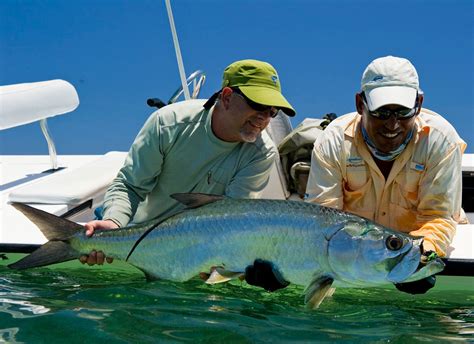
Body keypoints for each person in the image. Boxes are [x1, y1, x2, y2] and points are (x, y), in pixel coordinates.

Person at [79, 59, 296, 286]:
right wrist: (113, 224)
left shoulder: (261, 153)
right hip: (131, 239)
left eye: (273, 111)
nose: (264, 118)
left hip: (194, 256)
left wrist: (221, 261)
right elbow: (130, 186)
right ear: (227, 96)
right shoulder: (168, 123)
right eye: (258, 105)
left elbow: (234, 220)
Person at [305, 56, 466, 294]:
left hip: (399, 253)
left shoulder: (441, 141)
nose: (392, 124)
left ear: (418, 104)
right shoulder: (333, 140)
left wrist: (418, 259)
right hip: (353, 259)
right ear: (361, 104)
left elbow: (438, 217)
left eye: (402, 112)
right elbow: (323, 222)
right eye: (381, 112)